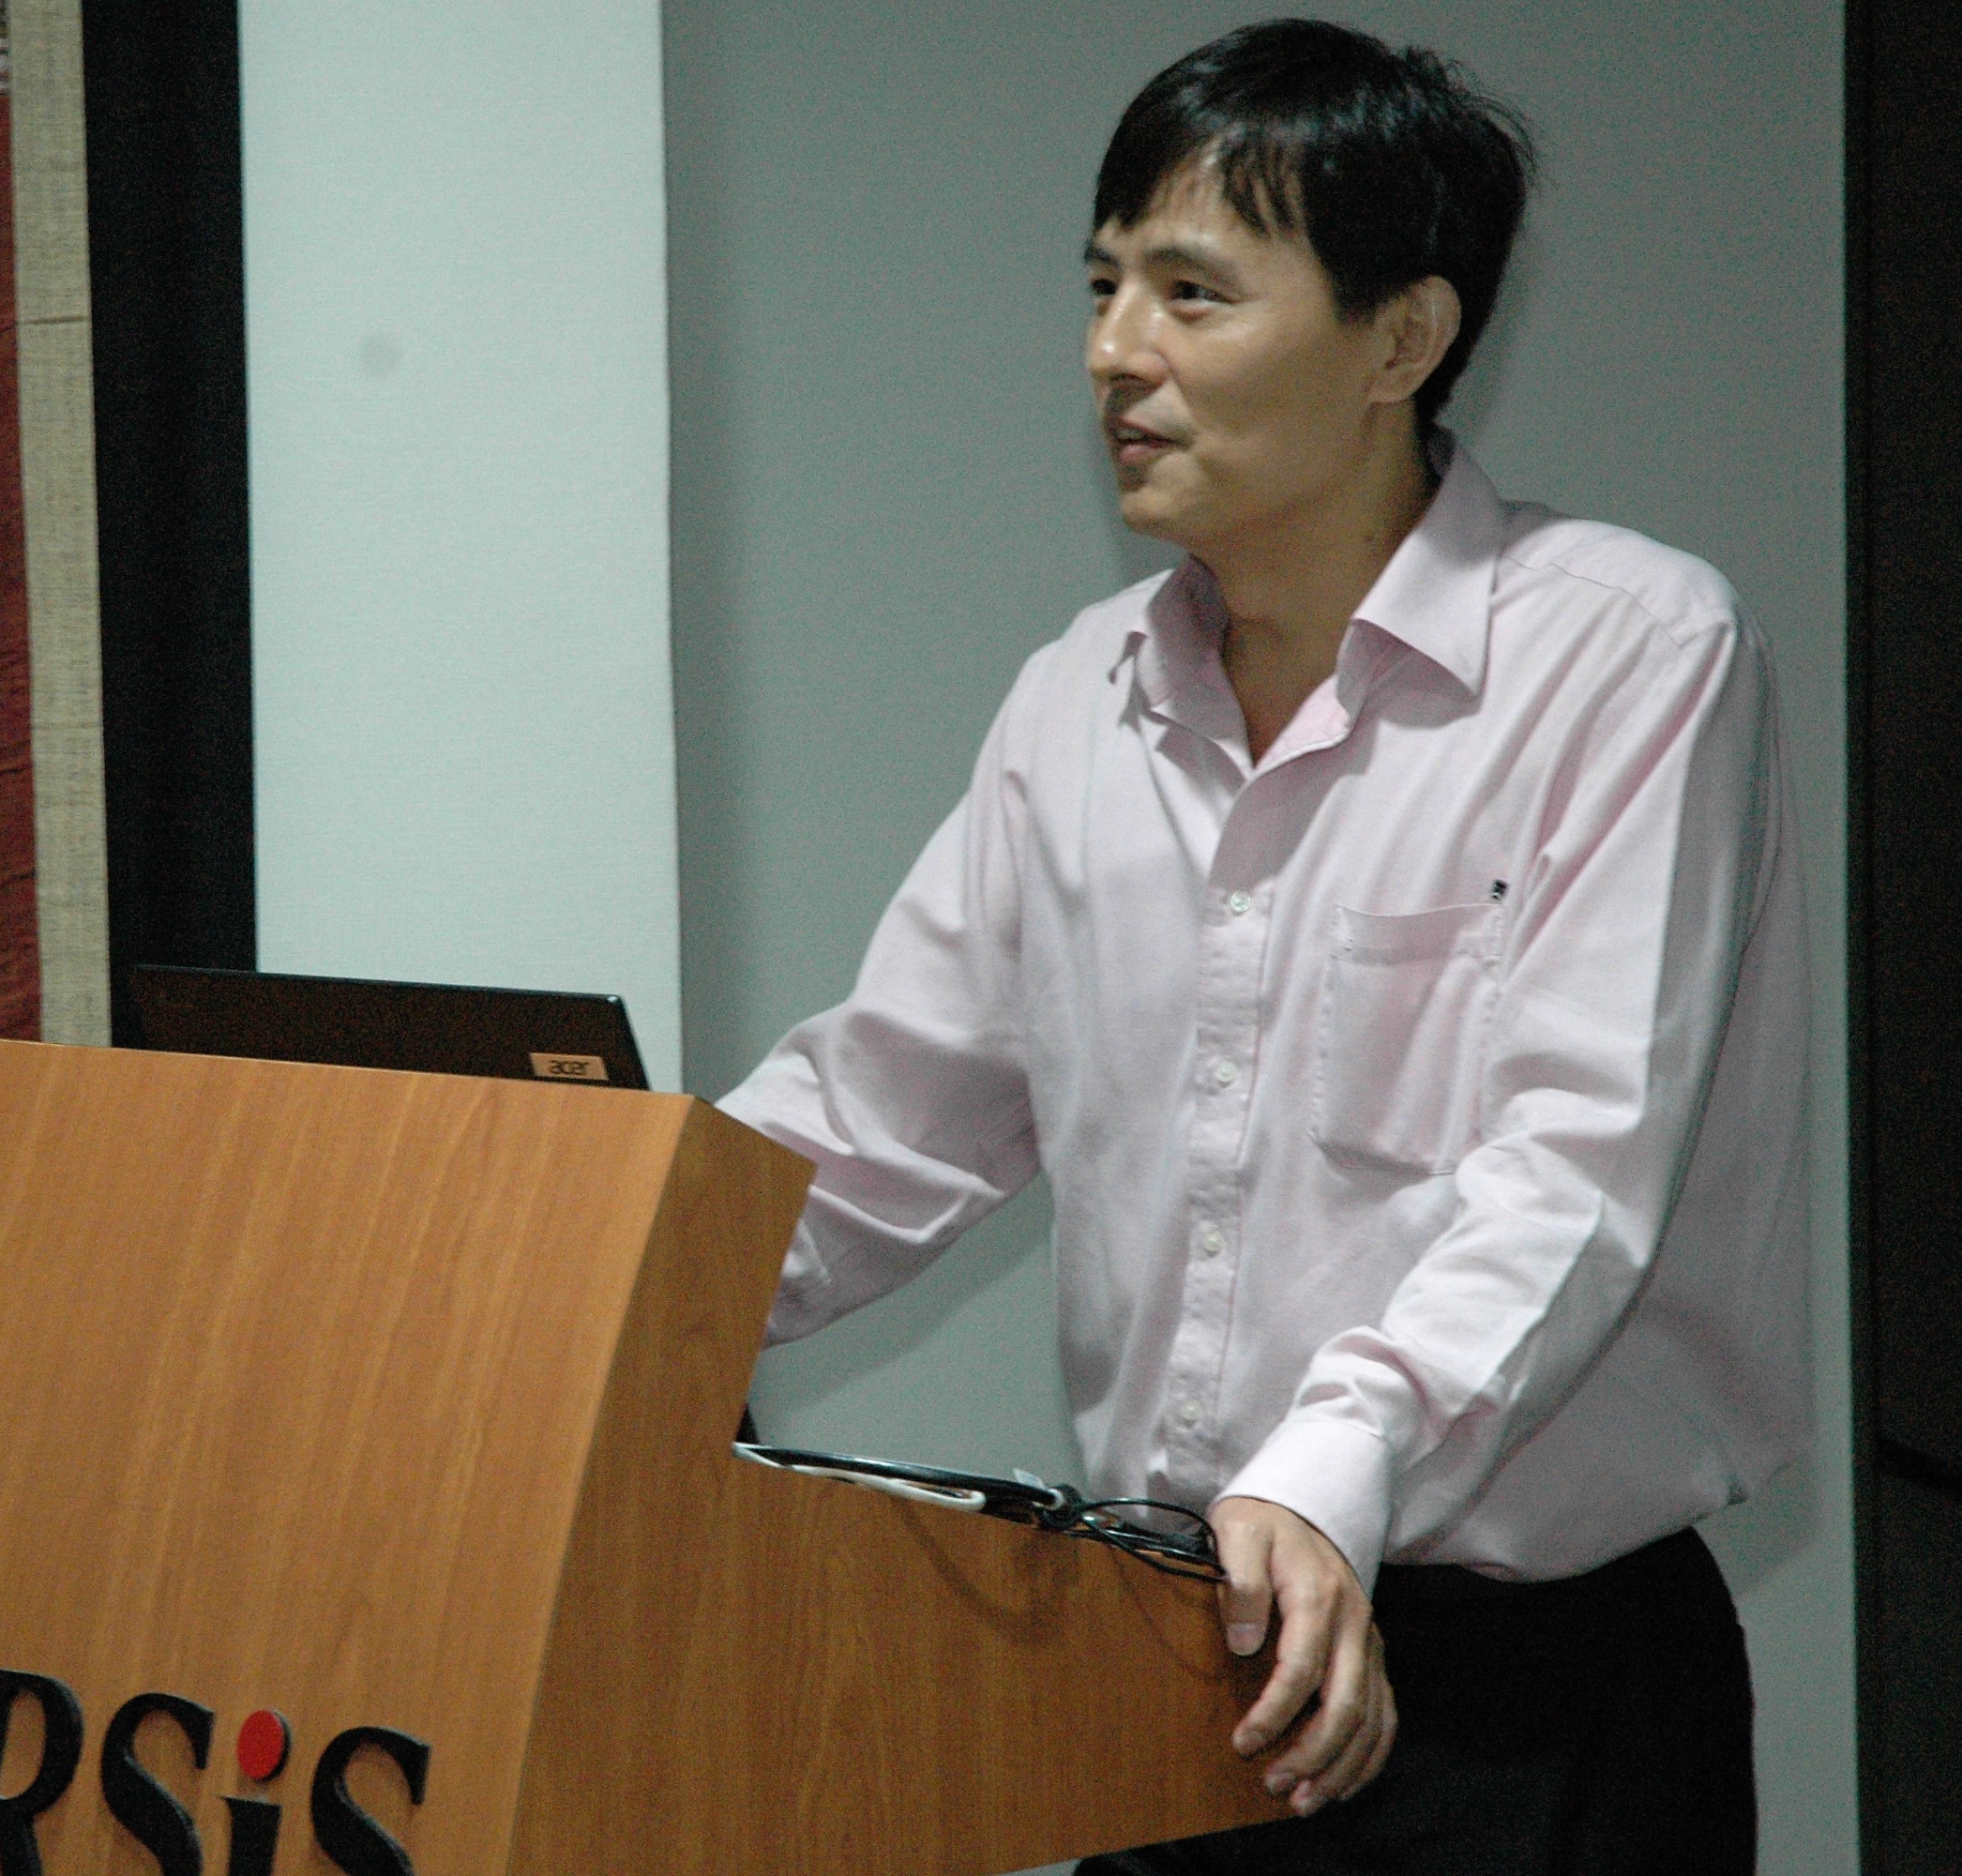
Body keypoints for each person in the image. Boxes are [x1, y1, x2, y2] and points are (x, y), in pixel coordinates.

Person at [715, 20, 1807, 1874]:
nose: (1113, 352)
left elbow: (1571, 1176)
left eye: (1191, 293)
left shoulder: (1630, 655)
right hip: (1172, 1654)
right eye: (1102, 287)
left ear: (1402, 338)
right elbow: (885, 1117)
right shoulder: (1082, 697)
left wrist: (1329, 1471)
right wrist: (591, 1288)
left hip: (1526, 1691)